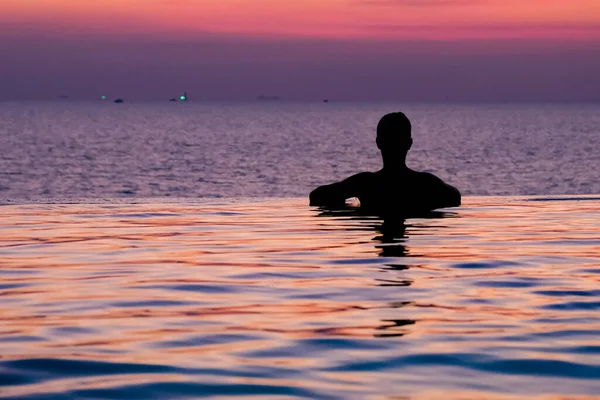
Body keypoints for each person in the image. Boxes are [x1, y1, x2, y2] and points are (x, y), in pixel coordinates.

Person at [309, 112, 461, 215]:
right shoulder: (426, 183)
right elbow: (454, 197)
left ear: (378, 143)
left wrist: (348, 210)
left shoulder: (365, 183)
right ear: (409, 144)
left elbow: (317, 196)